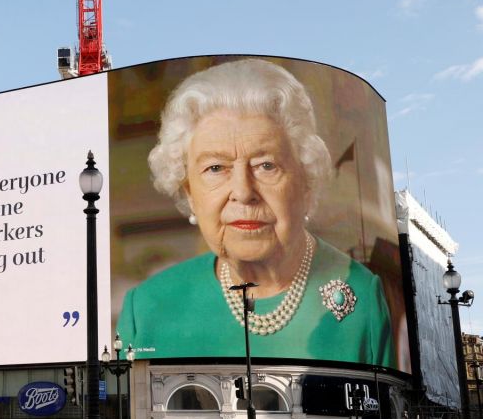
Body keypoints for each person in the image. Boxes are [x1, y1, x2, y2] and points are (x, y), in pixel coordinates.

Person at [116, 58, 397, 368]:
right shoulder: (146, 307)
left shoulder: (361, 295)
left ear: (305, 181)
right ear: (189, 193)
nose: (243, 191)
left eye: (266, 165)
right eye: (215, 168)